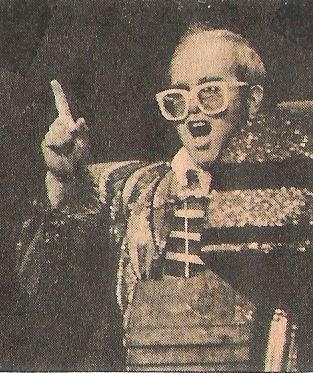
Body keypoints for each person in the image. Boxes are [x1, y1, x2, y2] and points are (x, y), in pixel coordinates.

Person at [15, 25, 312, 371]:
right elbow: (47, 282)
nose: (193, 110)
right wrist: (62, 177)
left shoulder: (298, 194)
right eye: (179, 99)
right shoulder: (136, 191)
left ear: (253, 101)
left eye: (211, 93)